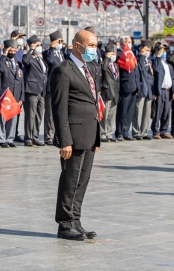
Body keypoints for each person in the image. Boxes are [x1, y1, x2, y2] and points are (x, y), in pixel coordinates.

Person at [50, 30, 100, 241]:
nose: (94, 50)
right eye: (90, 45)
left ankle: (75, 221)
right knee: (70, 180)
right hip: (74, 136)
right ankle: (64, 223)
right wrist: (65, 140)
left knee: (83, 180)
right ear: (77, 46)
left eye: (96, 45)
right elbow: (59, 108)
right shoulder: (63, 70)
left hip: (89, 133)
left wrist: (97, 135)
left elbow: (92, 102)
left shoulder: (90, 69)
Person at [0, 39, 25, 147]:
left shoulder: (18, 64)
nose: (12, 52)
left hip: (15, 95)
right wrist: (4, 54)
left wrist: (21, 97)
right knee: (2, 118)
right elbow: (0, 69)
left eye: (14, 49)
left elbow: (22, 81)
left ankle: (10, 139)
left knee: (13, 118)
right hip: (4, 94)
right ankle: (1, 139)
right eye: (10, 49)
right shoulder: (1, 61)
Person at [22, 36, 47, 146]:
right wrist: (31, 49)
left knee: (39, 114)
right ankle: (28, 137)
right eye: (37, 45)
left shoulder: (40, 58)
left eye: (40, 45)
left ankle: (35, 136)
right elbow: (25, 61)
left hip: (42, 90)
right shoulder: (29, 57)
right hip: (32, 90)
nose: (39, 47)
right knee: (30, 115)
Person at [115, 38, 141, 141]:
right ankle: (120, 132)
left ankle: (126, 131)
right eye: (126, 42)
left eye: (129, 42)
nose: (128, 44)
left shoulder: (132, 54)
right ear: (121, 44)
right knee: (122, 111)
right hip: (124, 87)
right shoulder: (119, 55)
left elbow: (136, 71)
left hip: (133, 87)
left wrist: (137, 85)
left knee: (130, 111)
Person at [42, 31, 64, 145]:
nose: (61, 43)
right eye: (59, 41)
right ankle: (49, 135)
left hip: (61, 86)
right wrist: (52, 47)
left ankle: (57, 134)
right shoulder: (48, 53)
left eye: (61, 41)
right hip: (51, 86)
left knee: (59, 112)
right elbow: (49, 62)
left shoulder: (61, 54)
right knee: (50, 113)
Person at [151, 44, 174, 139]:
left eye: (165, 51)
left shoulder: (168, 64)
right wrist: (158, 56)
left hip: (168, 90)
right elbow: (156, 71)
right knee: (158, 111)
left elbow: (172, 78)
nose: (164, 53)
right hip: (160, 90)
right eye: (162, 51)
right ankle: (156, 131)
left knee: (166, 111)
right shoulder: (155, 61)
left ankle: (164, 130)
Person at [133, 41, 154, 140]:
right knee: (138, 111)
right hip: (141, 89)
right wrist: (141, 55)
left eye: (149, 50)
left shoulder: (149, 60)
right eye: (146, 50)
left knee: (147, 112)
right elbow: (140, 70)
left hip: (149, 89)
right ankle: (136, 132)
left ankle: (144, 131)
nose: (148, 52)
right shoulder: (139, 59)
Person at [99, 43, 119, 142]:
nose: (114, 55)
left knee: (111, 115)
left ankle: (109, 132)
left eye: (115, 53)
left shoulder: (115, 65)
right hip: (106, 92)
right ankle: (102, 132)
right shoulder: (103, 63)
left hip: (115, 92)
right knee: (105, 114)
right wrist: (106, 58)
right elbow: (103, 69)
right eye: (112, 53)